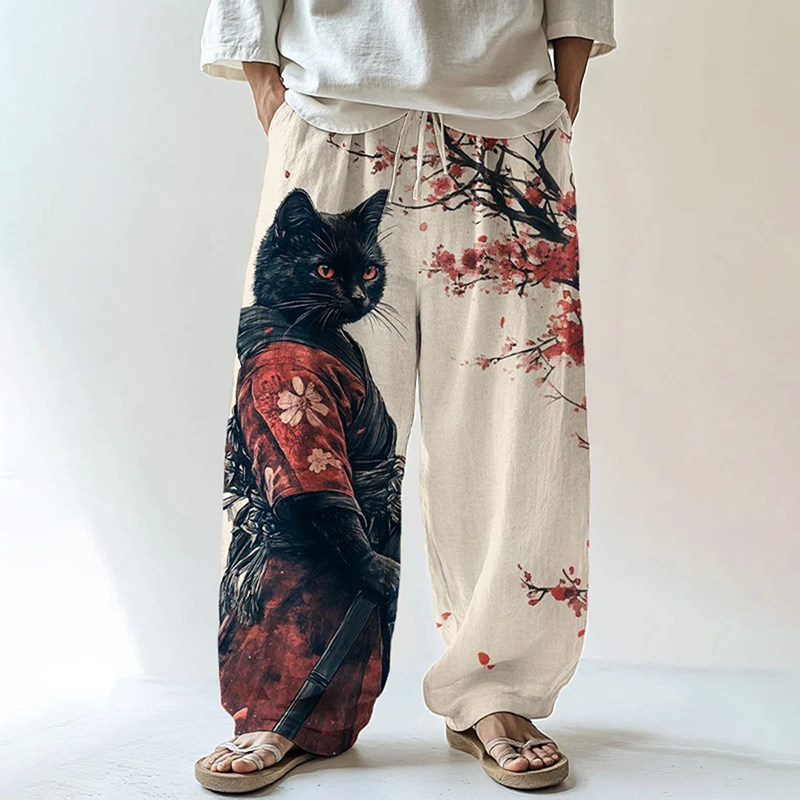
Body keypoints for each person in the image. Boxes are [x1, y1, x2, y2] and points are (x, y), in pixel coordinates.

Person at [195, 1, 615, 792]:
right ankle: (287, 701)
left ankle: (497, 690)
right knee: (299, 422)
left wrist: (561, 95)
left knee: (517, 429)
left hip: (508, 123)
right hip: (333, 116)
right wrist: (270, 95)